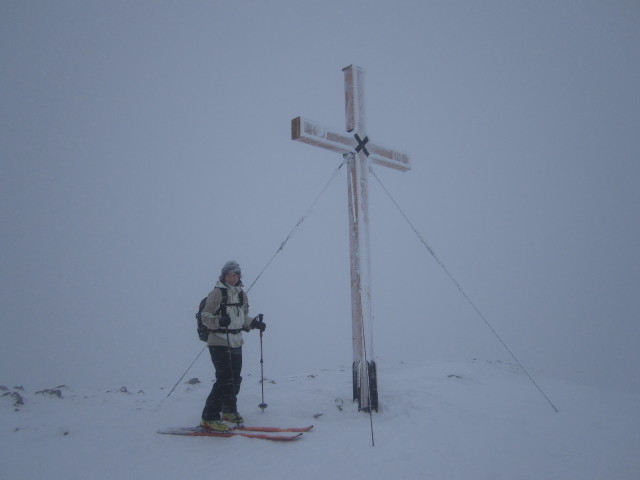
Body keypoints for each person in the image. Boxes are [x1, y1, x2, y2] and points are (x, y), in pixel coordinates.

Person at [199, 260, 266, 432]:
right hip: (219, 341)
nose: (232, 278)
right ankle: (209, 417)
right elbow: (204, 316)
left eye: (235, 274)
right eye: (229, 274)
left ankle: (228, 410)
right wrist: (219, 321)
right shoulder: (216, 294)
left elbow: (242, 318)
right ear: (223, 276)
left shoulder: (242, 295)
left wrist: (254, 323)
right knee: (223, 380)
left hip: (236, 341)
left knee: (235, 379)